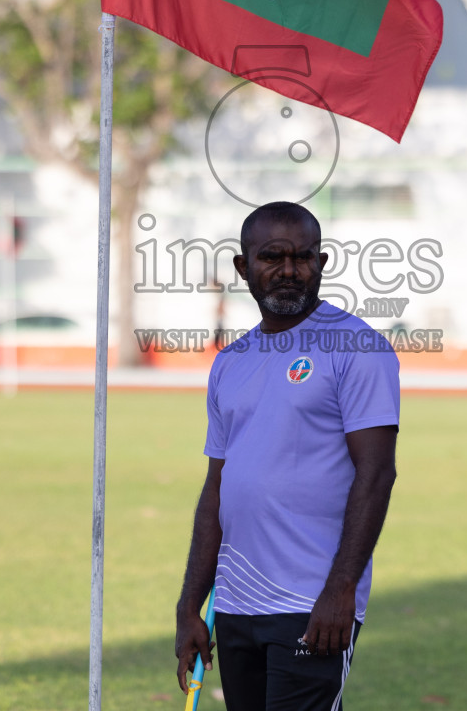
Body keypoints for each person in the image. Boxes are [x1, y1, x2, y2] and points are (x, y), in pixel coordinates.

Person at [174, 201, 400, 710]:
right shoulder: (230, 363)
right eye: (272, 257)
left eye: (302, 257)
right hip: (235, 606)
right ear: (243, 267)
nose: (288, 270)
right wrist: (192, 605)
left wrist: (341, 590)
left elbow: (377, 473)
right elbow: (218, 489)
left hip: (311, 604)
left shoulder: (357, 347)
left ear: (321, 263)